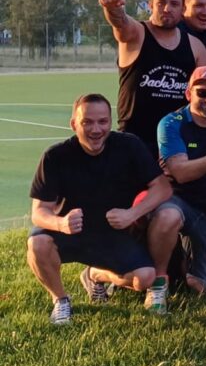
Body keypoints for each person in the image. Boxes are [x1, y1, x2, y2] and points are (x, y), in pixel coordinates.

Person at [26, 94, 171, 324]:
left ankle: (95, 274)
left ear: (110, 122)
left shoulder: (129, 146)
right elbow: (39, 211)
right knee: (38, 244)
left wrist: (132, 214)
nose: (96, 129)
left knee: (145, 278)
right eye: (87, 122)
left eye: (102, 122)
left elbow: (163, 188)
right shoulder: (55, 156)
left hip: (113, 234)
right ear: (74, 124)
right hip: (71, 232)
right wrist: (60, 223)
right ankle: (61, 300)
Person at [148, 67, 206, 311]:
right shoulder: (171, 124)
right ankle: (158, 284)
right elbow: (180, 172)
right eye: (202, 93)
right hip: (175, 199)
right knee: (168, 216)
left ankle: (181, 266)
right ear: (189, 93)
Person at [99, 0, 206, 159]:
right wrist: (112, 9)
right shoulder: (137, 33)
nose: (167, 8)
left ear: (183, 9)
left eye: (174, 4)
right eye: (161, 3)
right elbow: (121, 24)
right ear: (150, 5)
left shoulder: (195, 46)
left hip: (176, 145)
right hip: (134, 143)